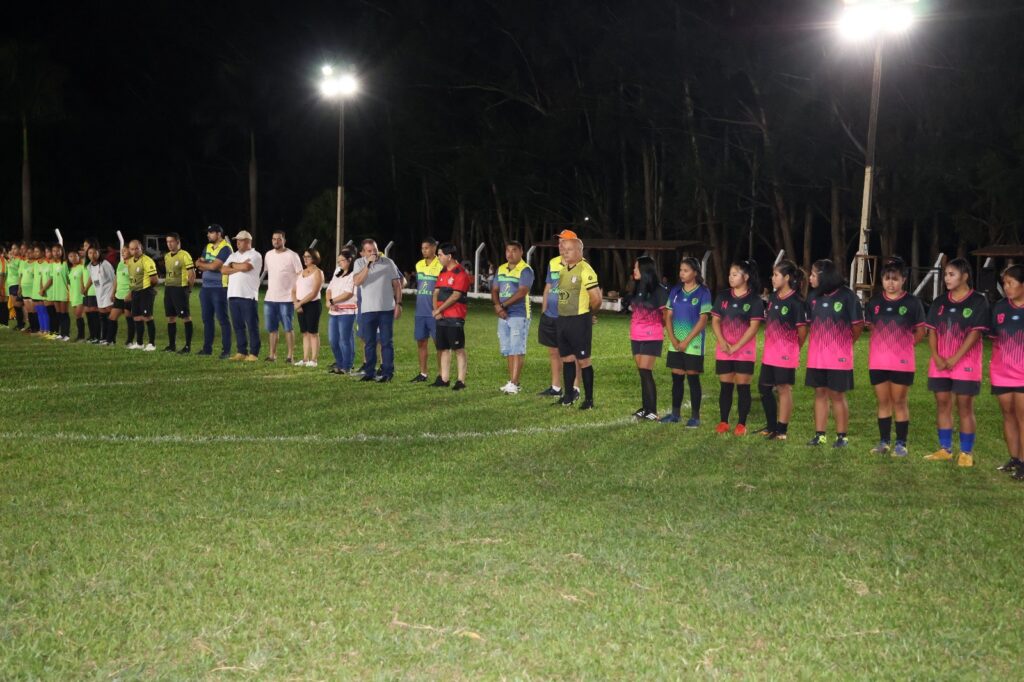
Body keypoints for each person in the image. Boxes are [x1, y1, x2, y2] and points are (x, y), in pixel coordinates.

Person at [923, 258, 989, 467]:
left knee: (964, 406)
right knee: (943, 403)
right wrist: (937, 357)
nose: (947, 278)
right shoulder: (939, 301)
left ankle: (966, 453)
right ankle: (945, 449)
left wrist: (955, 358)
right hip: (940, 363)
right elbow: (931, 331)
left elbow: (975, 333)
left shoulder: (978, 301)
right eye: (946, 274)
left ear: (965, 276)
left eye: (952, 274)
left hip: (965, 364)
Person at [864, 257, 927, 457]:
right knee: (883, 402)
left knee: (899, 401)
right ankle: (884, 442)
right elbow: (872, 328)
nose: (891, 283)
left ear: (903, 280)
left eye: (895, 279)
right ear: (881, 280)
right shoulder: (874, 303)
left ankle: (901, 444)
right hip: (878, 362)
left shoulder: (912, 302)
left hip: (902, 363)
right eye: (887, 279)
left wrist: (903, 347)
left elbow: (921, 331)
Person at [805, 259, 864, 448]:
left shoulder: (848, 296)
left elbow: (857, 326)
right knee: (820, 393)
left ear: (823, 276)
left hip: (839, 357)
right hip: (816, 356)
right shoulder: (813, 296)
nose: (810, 278)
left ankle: (841, 437)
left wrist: (844, 345)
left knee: (837, 395)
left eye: (813, 274)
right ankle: (820, 435)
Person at [711, 259, 764, 436]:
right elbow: (716, 321)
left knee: (743, 387)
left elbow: (754, 326)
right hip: (724, 348)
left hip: (744, 351)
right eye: (730, 274)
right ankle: (723, 421)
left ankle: (741, 424)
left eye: (735, 274)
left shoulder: (754, 300)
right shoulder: (723, 296)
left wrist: (737, 346)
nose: (730, 278)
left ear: (746, 277)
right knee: (725, 386)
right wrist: (723, 342)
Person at [757, 260, 808, 441]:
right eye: (773, 275)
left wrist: (794, 348)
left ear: (786, 278)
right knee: (764, 388)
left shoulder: (796, 301)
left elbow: (802, 331)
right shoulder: (772, 298)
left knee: (783, 389)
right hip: (770, 353)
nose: (773, 278)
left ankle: (782, 429)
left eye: (776, 275)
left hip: (786, 353)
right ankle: (771, 426)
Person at [661, 257, 712, 426]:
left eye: (686, 270)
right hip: (676, 342)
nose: (681, 273)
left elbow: (703, 320)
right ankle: (675, 414)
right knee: (677, 378)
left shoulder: (703, 292)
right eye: (681, 270)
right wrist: (674, 339)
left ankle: (695, 417)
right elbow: (667, 316)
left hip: (694, 343)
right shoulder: (675, 290)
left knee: (693, 379)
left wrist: (686, 341)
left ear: (695, 273)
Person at [554, 237, 602, 409]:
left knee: (583, 361)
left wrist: (589, 315)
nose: (565, 252)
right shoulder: (563, 270)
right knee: (567, 359)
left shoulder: (585, 269)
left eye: (569, 249)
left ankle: (588, 400)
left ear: (579, 251)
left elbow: (597, 298)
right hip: (563, 320)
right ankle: (568, 396)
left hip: (578, 321)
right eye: (563, 249)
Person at [352, 239, 403, 382]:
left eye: (375, 249)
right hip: (368, 310)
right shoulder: (359, 263)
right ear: (362, 253)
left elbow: (397, 285)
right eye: (369, 251)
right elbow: (357, 281)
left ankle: (387, 372)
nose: (373, 253)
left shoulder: (388, 262)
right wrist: (368, 264)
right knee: (369, 343)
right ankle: (370, 372)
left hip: (386, 309)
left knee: (386, 342)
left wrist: (398, 304)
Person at [537, 231, 580, 400]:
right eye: (559, 242)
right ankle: (556, 387)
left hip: (570, 316)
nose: (560, 245)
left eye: (564, 242)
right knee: (554, 352)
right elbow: (548, 288)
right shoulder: (553, 262)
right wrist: (544, 311)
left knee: (573, 354)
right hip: (551, 316)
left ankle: (575, 388)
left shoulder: (580, 264)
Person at [990, 265, 1024, 480]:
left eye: (1011, 283)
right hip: (1001, 371)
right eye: (1004, 283)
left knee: (1022, 417)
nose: (1007, 287)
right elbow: (994, 339)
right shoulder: (1000, 308)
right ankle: (1014, 458)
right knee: (1008, 415)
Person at [492, 240, 535, 394]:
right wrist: (498, 306)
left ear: (521, 252)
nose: (510, 254)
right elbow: (495, 289)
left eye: (514, 250)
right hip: (503, 315)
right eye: (508, 250)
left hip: (519, 314)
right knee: (509, 349)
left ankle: (515, 383)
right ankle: (511, 382)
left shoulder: (525, 270)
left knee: (517, 349)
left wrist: (503, 306)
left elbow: (522, 291)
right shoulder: (501, 268)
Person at [629, 256, 669, 420]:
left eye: (636, 268)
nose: (634, 271)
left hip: (652, 335)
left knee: (646, 371)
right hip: (636, 335)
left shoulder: (659, 290)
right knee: (642, 372)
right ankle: (645, 408)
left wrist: (661, 328)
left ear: (645, 270)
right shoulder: (638, 287)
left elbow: (666, 315)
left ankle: (652, 411)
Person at [431, 243, 472, 390]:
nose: (438, 257)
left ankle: (461, 381)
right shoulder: (442, 272)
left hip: (455, 317)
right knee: (443, 348)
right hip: (441, 317)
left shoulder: (460, 273)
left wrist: (438, 310)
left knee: (458, 349)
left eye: (440, 254)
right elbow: (435, 292)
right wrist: (436, 311)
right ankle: (444, 379)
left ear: (449, 256)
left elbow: (455, 296)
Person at [221, 231, 263, 362]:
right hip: (233, 294)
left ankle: (254, 353)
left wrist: (233, 265)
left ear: (248, 241)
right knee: (238, 325)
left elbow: (246, 266)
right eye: (237, 240)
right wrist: (237, 267)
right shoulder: (233, 255)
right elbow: (223, 270)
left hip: (248, 295)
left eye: (240, 240)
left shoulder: (255, 255)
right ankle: (241, 351)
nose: (237, 242)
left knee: (251, 325)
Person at [263, 230, 303, 363]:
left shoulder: (292, 255)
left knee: (288, 327)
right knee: (272, 329)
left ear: (284, 240)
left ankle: (290, 356)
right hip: (270, 298)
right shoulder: (268, 255)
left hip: (286, 299)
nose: (276, 241)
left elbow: (300, 275)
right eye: (274, 239)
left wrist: (295, 294)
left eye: (279, 239)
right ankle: (272, 355)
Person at [195, 224, 233, 359]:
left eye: (211, 233)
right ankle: (207, 349)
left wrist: (204, 265)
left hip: (219, 288)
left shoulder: (225, 248)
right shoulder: (208, 247)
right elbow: (199, 263)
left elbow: (214, 266)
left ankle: (226, 350)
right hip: (206, 288)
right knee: (207, 319)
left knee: (222, 320)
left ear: (219, 234)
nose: (208, 235)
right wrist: (206, 265)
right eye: (208, 232)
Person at [411, 237, 443, 382]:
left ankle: (442, 374)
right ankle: (423, 373)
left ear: (434, 248)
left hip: (435, 311)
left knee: (439, 344)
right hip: (420, 311)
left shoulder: (441, 264)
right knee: (421, 343)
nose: (424, 251)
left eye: (427, 248)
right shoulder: (419, 265)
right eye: (422, 248)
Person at [326, 248, 358, 374]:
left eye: (342, 261)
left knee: (344, 339)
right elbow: (329, 289)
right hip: (333, 312)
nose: (339, 263)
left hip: (347, 312)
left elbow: (349, 293)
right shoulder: (338, 272)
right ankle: (339, 364)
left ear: (350, 260)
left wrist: (333, 301)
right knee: (333, 340)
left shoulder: (354, 274)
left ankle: (347, 366)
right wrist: (329, 302)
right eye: (338, 261)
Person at [163, 232, 196, 353]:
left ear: (178, 242)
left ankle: (187, 346)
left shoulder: (184, 255)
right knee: (170, 317)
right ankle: (172, 345)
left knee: (185, 317)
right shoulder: (166, 256)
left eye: (171, 241)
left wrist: (189, 289)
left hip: (180, 289)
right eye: (167, 242)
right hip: (169, 289)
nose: (169, 244)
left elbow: (191, 273)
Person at [126, 239, 159, 350]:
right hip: (135, 292)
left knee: (147, 317)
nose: (134, 251)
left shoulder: (147, 260)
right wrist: (132, 291)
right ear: (129, 250)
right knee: (136, 317)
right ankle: (139, 343)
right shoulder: (130, 262)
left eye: (137, 248)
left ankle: (152, 344)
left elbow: (154, 279)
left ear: (141, 248)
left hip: (145, 291)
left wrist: (148, 290)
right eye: (132, 249)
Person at [293, 249, 324, 367]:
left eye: (308, 257)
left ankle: (314, 360)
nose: (305, 259)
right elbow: (294, 290)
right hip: (300, 305)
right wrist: (296, 303)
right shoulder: (301, 273)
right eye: (304, 256)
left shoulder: (318, 272)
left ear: (315, 258)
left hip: (313, 305)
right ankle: (305, 359)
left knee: (313, 333)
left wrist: (300, 303)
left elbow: (314, 293)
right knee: (305, 333)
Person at [87, 246, 116, 345]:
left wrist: (113, 292)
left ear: (99, 253)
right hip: (99, 293)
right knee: (103, 317)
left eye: (95, 253)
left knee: (110, 316)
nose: (92, 255)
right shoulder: (89, 266)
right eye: (90, 253)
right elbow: (92, 278)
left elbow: (113, 279)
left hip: (108, 292)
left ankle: (111, 339)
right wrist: (86, 288)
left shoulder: (105, 264)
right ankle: (104, 338)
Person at [114, 245, 134, 346]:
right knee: (112, 318)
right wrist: (113, 292)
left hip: (128, 296)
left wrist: (130, 293)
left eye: (125, 251)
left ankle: (129, 341)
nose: (122, 253)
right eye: (122, 251)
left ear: (130, 252)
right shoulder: (120, 264)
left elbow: (135, 281)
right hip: (118, 295)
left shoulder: (133, 264)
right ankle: (110, 340)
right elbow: (116, 279)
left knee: (129, 318)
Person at [68, 248, 88, 341]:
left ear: (78, 257)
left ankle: (81, 336)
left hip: (81, 295)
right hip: (74, 295)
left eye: (75, 256)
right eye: (70, 256)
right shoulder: (71, 269)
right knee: (77, 316)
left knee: (79, 315)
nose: (73, 258)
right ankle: (80, 335)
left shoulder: (82, 266)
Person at [7, 243, 24, 330]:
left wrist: (11, 260)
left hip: (16, 283)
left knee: (18, 305)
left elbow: (19, 272)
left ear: (19, 250)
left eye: (15, 249)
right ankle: (19, 324)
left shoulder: (19, 260)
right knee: (14, 305)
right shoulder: (12, 259)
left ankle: (21, 324)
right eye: (12, 249)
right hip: (10, 284)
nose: (13, 250)